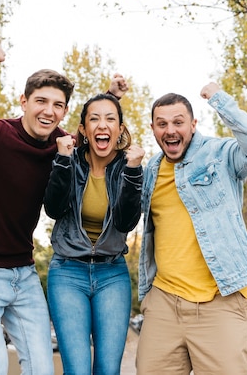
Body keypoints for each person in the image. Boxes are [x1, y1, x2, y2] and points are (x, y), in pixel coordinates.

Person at [0, 42, 128, 375]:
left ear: (64, 112)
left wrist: (111, 96)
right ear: (24, 102)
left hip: (23, 272)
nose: (49, 111)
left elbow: (96, 129)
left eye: (58, 105)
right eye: (41, 102)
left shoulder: (62, 145)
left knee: (41, 370)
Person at [136, 82, 247, 375]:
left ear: (193, 124)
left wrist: (221, 101)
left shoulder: (220, 153)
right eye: (162, 124)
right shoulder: (151, 168)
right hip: (164, 303)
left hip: (220, 300)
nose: (170, 130)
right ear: (153, 128)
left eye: (178, 122)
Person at [44, 93, 144, 375]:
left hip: (113, 274)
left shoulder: (129, 167)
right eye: (95, 119)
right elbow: (53, 208)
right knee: (76, 370)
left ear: (120, 130)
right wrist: (63, 160)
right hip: (67, 272)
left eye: (110, 119)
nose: (103, 125)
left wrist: (134, 172)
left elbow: (126, 222)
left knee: (108, 371)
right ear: (83, 130)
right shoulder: (69, 160)